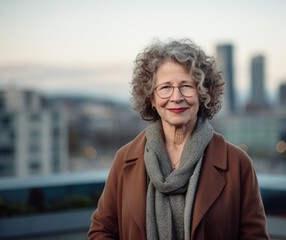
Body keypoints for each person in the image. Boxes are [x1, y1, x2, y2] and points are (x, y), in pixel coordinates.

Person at [88, 39, 269, 240]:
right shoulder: (124, 160)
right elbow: (101, 231)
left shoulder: (237, 163)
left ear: (202, 94)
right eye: (165, 87)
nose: (176, 97)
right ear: (152, 99)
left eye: (187, 86)